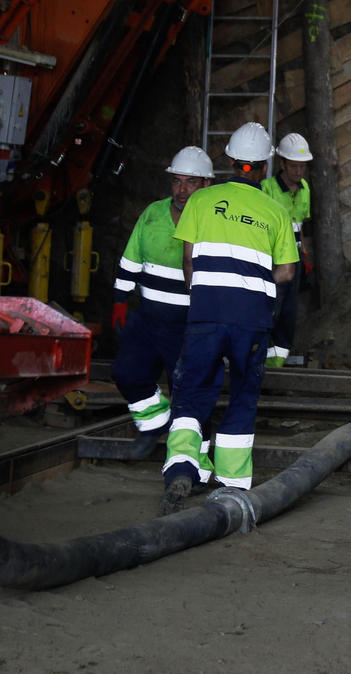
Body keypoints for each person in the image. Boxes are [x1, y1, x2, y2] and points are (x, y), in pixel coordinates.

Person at [160, 122, 298, 514]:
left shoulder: (201, 202)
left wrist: (203, 293)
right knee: (242, 395)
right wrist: (252, 279)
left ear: (232, 162)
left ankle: (183, 469)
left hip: (206, 313)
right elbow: (287, 272)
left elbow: (187, 259)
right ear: (266, 167)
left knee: (192, 390)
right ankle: (233, 486)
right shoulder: (275, 210)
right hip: (251, 319)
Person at [110, 146, 213, 456]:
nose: (181, 191)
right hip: (148, 317)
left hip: (188, 324)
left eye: (190, 183)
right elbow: (131, 259)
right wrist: (119, 300)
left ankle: (194, 456)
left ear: (206, 185)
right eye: (176, 182)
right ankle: (154, 422)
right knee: (126, 373)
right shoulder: (153, 213)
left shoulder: (213, 221)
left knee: (188, 390)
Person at [262, 132, 314, 368]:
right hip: (273, 262)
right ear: (282, 163)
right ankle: (257, 359)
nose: (299, 172)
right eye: (294, 166)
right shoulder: (267, 189)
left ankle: (276, 365)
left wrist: (305, 256)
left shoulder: (304, 189)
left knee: (287, 316)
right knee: (269, 312)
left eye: (303, 167)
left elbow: (300, 225)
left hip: (294, 262)